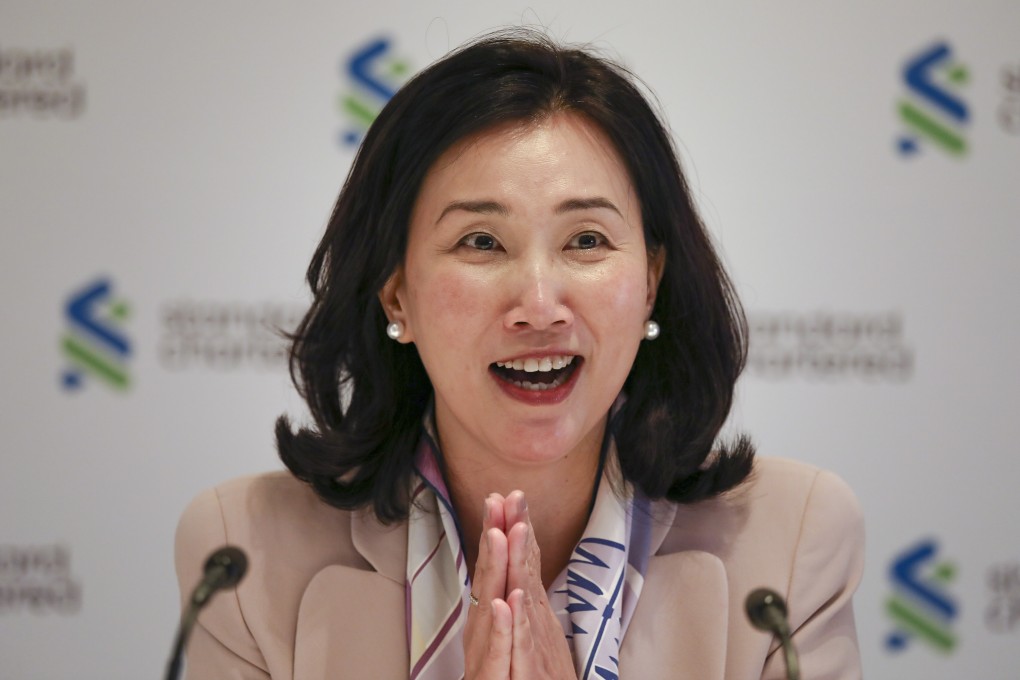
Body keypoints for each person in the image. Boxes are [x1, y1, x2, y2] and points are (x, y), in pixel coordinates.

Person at [175, 30, 864, 679]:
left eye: (586, 240)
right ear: (395, 295)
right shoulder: (244, 560)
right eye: (481, 242)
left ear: (651, 281)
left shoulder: (791, 543)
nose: (539, 303)